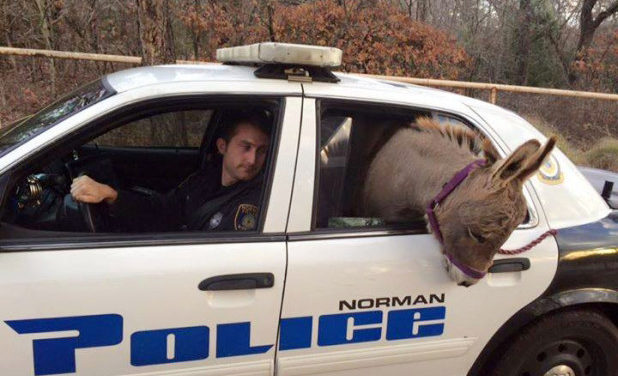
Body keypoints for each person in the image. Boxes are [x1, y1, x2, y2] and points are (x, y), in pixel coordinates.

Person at [70, 112, 271, 232]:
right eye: (246, 147)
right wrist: (112, 196)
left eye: (261, 151)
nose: (253, 160)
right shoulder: (207, 177)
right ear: (222, 146)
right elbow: (165, 210)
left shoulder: (259, 199)